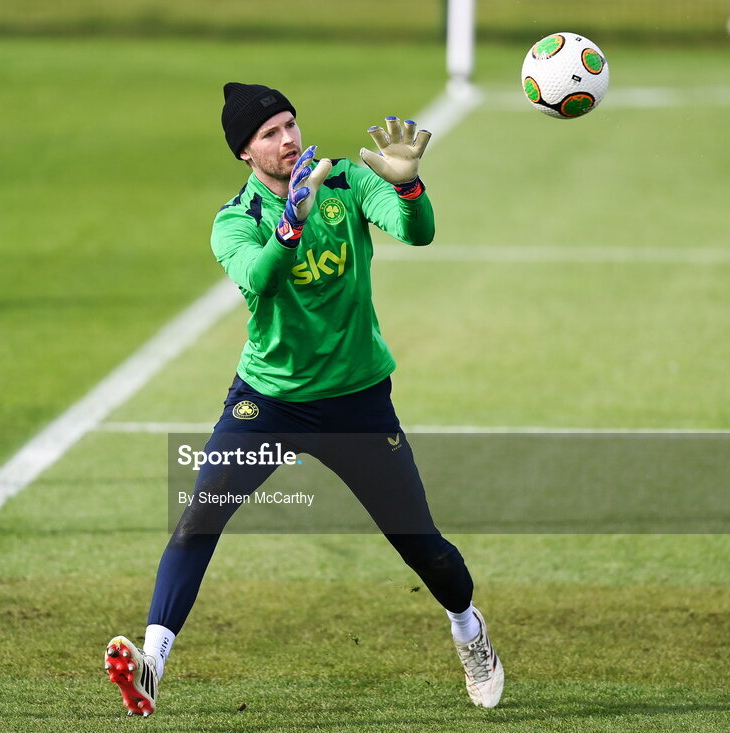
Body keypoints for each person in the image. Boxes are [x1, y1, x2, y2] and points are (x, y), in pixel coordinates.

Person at [105, 82, 503, 717]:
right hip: (271, 402)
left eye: (289, 125)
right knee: (198, 519)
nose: (287, 139)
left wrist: (407, 185)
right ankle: (152, 661)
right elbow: (259, 279)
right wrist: (289, 224)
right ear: (245, 152)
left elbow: (417, 232)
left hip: (358, 403)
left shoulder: (343, 180)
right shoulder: (236, 220)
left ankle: (467, 628)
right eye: (269, 134)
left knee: (420, 544)